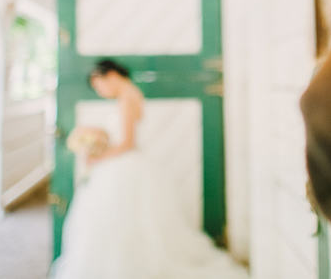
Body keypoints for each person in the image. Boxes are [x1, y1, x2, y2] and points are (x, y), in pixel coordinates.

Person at [51, 59, 248, 279]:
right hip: (126, 165)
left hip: (124, 167)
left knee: (120, 220)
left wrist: (100, 158)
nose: (101, 92)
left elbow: (127, 142)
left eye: (100, 86)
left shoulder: (127, 99)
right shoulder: (131, 96)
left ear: (112, 76)